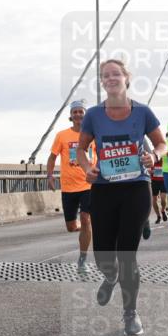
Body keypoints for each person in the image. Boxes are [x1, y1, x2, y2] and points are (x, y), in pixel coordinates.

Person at [77, 59, 165, 336]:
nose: (111, 78)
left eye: (116, 74)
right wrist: (87, 168)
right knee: (103, 252)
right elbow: (81, 150)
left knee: (128, 254)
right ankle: (110, 275)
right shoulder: (93, 115)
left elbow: (160, 142)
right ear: (102, 82)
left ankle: (130, 313)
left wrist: (155, 156)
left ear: (127, 78)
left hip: (136, 187)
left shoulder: (143, 112)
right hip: (103, 188)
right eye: (106, 75)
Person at [47, 100, 94, 274]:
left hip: (88, 183)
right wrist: (50, 176)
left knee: (85, 218)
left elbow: (101, 155)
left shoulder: (93, 134)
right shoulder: (62, 135)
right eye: (75, 112)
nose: (78, 115)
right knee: (71, 227)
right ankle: (88, 229)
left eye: (81, 112)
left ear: (85, 114)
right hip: (68, 186)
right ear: (71, 116)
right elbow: (52, 158)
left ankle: (82, 260)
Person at [150, 154, 168, 224]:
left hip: (163, 181)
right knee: (154, 200)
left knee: (163, 199)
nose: (158, 158)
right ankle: (158, 216)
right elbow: (146, 169)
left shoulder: (165, 160)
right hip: (154, 181)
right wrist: (150, 172)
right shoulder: (151, 159)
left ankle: (163, 210)